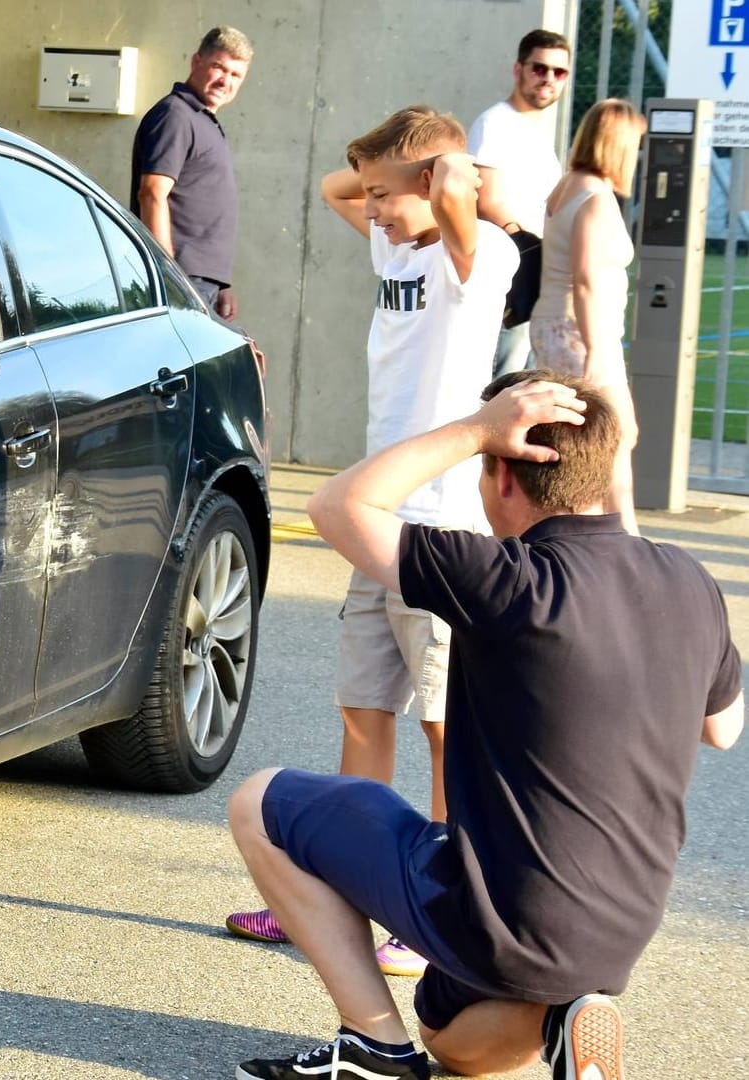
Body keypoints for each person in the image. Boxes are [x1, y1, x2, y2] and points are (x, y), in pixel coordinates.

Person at [227, 370, 742, 1080]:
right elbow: (724, 729)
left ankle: (373, 1043)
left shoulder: (504, 578)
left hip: (508, 917)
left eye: (483, 461)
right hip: (617, 935)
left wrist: (474, 428)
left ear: (504, 474)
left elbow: (336, 504)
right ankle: (566, 1014)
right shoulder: (688, 582)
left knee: (259, 803)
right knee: (451, 1040)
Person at [226, 107, 516, 980]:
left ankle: (432, 914)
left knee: (441, 726)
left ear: (434, 184)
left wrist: (447, 175)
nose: (374, 209)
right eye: (378, 197)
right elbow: (334, 183)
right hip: (378, 520)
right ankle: (346, 899)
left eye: (391, 196)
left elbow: (457, 194)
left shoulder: (485, 259)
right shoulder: (397, 247)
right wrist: (396, 174)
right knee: (363, 711)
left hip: (441, 527)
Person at [531, 98, 647, 535]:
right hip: (583, 333)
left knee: (589, 441)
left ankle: (603, 535)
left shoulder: (566, 187)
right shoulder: (595, 199)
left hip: (559, 326)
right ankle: (625, 538)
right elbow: (585, 278)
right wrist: (598, 351)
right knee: (616, 435)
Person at [469, 29, 573, 376]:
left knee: (528, 379)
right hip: (512, 271)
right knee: (503, 381)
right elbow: (487, 202)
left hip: (537, 270)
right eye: (539, 68)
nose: (548, 79)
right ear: (518, 70)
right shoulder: (496, 124)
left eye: (559, 72)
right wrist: (532, 250)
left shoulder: (536, 129)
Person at [131, 26, 252, 320]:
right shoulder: (176, 115)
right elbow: (152, 192)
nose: (226, 81)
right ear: (196, 62)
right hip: (180, 280)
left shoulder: (202, 120)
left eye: (236, 75)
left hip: (199, 281)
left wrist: (220, 284)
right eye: (218, 68)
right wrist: (168, 275)